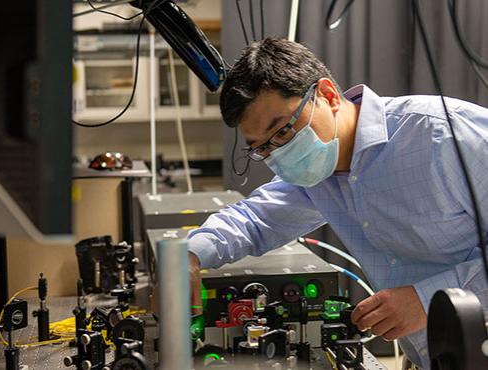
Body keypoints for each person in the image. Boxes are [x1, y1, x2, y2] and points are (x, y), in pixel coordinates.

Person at [186, 37, 488, 370]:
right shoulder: (318, 175)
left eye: (284, 131)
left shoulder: (443, 135)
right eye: (264, 148)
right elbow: (255, 220)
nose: (280, 153)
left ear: (328, 95)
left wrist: (430, 299)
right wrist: (188, 255)